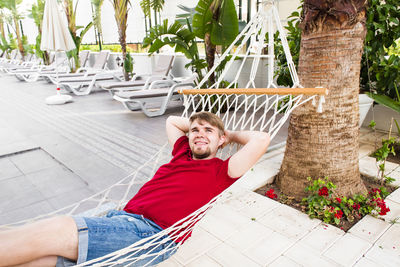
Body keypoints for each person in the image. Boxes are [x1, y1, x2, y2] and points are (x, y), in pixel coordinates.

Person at [0, 112, 270, 267]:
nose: (199, 133)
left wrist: (227, 133)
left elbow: (261, 139)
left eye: (208, 131)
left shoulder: (223, 172)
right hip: (122, 219)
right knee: (42, 256)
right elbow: (173, 122)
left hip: (151, 235)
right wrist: (203, 129)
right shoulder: (181, 152)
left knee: (56, 229)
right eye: (195, 130)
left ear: (221, 140)